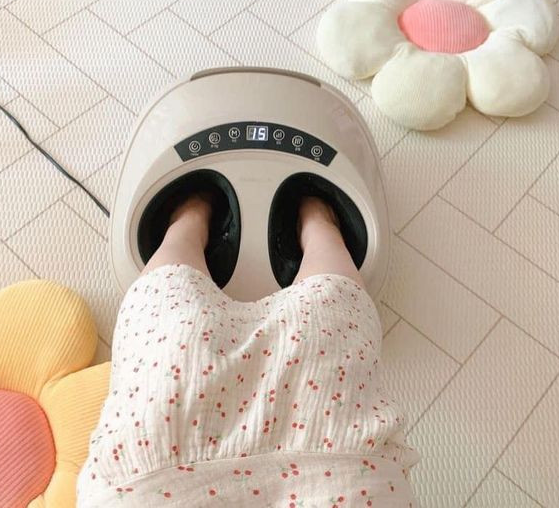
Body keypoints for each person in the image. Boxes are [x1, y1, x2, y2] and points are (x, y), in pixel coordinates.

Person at [77, 193, 419, 506]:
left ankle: (193, 212)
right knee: (328, 318)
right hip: (344, 470)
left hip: (152, 473)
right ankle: (317, 220)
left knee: (173, 329)